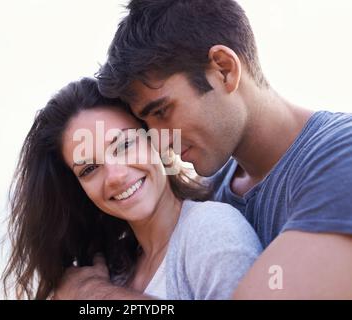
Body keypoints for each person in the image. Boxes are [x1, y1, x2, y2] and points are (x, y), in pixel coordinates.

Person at [56, 0, 352, 299]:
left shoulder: (342, 157)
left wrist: (96, 296)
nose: (159, 140)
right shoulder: (215, 190)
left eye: (162, 112)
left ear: (224, 69)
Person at [2, 78, 262, 299]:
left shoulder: (210, 231)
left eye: (125, 145)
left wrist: (97, 295)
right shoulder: (112, 268)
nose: (115, 175)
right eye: (89, 169)